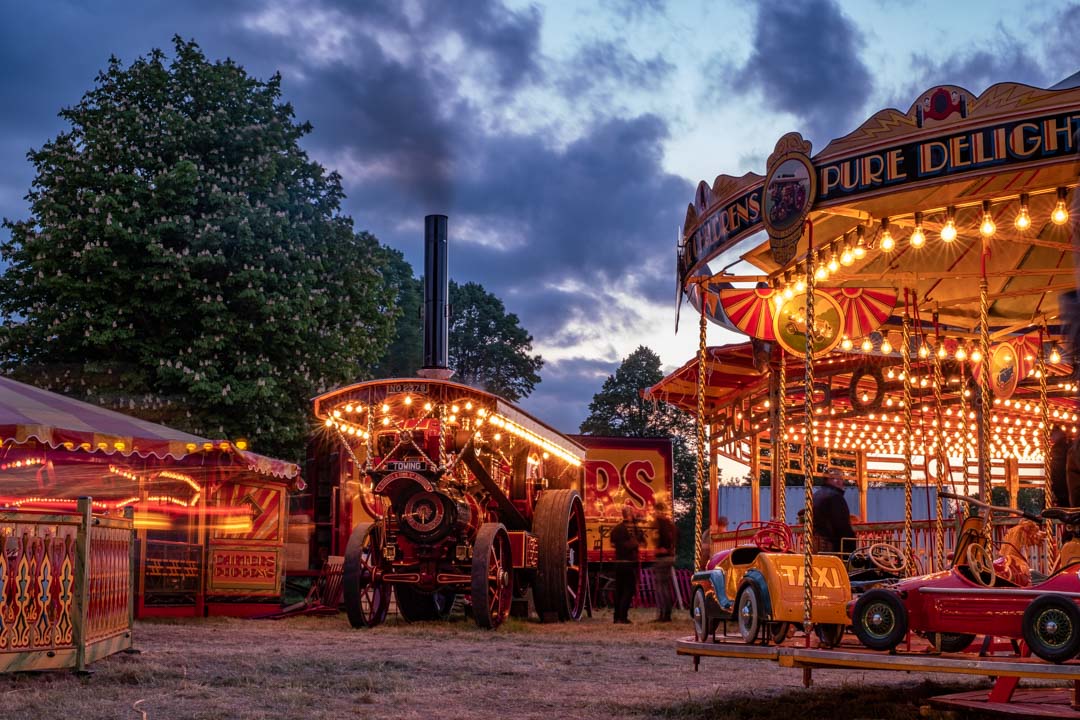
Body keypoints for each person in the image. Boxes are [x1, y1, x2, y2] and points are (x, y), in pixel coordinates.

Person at [610, 505, 644, 624]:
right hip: (628, 563)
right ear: (629, 515)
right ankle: (622, 616)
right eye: (632, 513)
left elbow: (612, 544)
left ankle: (616, 616)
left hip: (618, 562)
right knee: (628, 590)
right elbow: (634, 543)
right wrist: (636, 541)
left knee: (618, 590)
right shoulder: (631, 529)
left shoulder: (616, 529)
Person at [811, 467, 856, 553]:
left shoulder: (816, 495)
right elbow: (841, 525)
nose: (841, 482)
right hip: (831, 546)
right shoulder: (835, 497)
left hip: (817, 544)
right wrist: (851, 546)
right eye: (839, 478)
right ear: (831, 479)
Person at [652, 500, 678, 622]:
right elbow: (678, 536)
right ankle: (667, 613)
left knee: (660, 587)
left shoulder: (658, 524)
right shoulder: (671, 524)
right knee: (666, 586)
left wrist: (660, 549)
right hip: (670, 556)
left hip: (662, 557)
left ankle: (663, 614)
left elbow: (656, 538)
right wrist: (671, 549)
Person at [1051, 426, 1070, 506]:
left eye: (1052, 435)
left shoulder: (1057, 449)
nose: (1050, 437)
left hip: (1062, 487)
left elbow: (1057, 472)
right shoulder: (1069, 445)